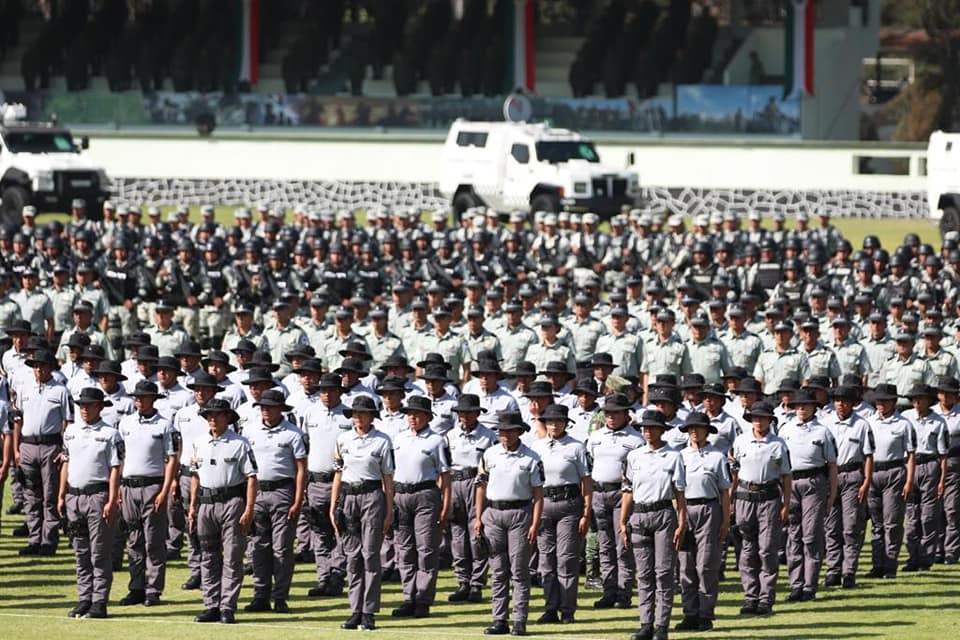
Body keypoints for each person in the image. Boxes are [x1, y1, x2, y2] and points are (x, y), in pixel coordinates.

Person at [187, 398, 258, 624]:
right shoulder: (199, 442)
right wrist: (192, 507)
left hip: (232, 503)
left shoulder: (240, 443)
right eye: (209, 415)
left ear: (227, 417)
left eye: (217, 415)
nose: (213, 419)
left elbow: (251, 478)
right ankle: (211, 605)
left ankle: (227, 606)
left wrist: (248, 509)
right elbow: (195, 476)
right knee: (207, 556)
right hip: (206, 504)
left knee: (232, 556)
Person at [475, 411, 544, 636]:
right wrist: (478, 517)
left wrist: (535, 523)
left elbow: (538, 494)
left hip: (520, 514)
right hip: (493, 513)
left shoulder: (532, 457)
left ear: (519, 432)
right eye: (502, 431)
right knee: (498, 570)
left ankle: (520, 620)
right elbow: (481, 487)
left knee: (520, 570)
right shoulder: (489, 454)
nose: (505, 435)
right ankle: (499, 619)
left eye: (509, 431)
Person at [331, 394, 395, 631]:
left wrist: (389, 511)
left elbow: (388, 479)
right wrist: (333, 504)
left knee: (370, 554)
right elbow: (338, 473)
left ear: (371, 416)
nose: (357, 417)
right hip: (348, 496)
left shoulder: (382, 441)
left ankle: (369, 611)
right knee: (352, 555)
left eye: (362, 413)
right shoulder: (343, 439)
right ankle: (355, 609)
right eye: (354, 414)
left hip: (372, 496)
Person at [621, 409, 686, 640]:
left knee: (664, 572)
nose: (647, 431)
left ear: (662, 429)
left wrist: (681, 522)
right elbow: (628, 490)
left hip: (663, 514)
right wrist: (623, 519)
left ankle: (662, 626)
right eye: (644, 428)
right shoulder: (634, 456)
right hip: (639, 514)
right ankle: (645, 624)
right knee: (644, 573)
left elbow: (679, 493)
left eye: (652, 427)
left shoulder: (674, 456)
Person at [58, 387, 123, 619]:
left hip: (98, 495)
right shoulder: (71, 431)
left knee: (99, 552)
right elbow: (65, 462)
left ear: (100, 407)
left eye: (89, 405)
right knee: (80, 551)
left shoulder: (110, 434)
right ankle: (84, 598)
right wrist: (61, 494)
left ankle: (99, 601)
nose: (84, 409)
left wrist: (112, 499)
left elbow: (115, 469)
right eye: (81, 405)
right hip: (74, 496)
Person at [243, 389, 307, 613]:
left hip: (283, 492)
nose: (266, 411)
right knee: (258, 546)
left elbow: (301, 470)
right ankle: (260, 595)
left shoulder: (293, 434)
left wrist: (298, 500)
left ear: (281, 408)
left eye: (270, 407)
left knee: (282, 548)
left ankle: (280, 597)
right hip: (258, 491)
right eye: (263, 407)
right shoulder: (249, 431)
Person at [117, 381, 178, 607]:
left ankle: (153, 590)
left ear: (154, 399)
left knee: (154, 541)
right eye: (137, 397)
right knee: (134, 541)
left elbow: (172, 458)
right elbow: (119, 458)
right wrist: (119, 489)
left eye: (143, 397)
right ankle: (136, 587)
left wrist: (165, 489)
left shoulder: (164, 425)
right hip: (129, 486)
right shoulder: (126, 423)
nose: (139, 401)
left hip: (153, 486)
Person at [529, 403, 592, 625]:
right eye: (550, 421)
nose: (554, 425)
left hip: (569, 504)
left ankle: (567, 610)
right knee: (546, 560)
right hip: (544, 503)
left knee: (566, 559)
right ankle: (549, 608)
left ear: (566, 423)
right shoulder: (537, 446)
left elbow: (586, 480)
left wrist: (586, 512)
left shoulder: (576, 447)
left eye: (558, 421)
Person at [390, 395, 451, 618]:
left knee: (426, 549)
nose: (412, 418)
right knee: (404, 549)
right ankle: (409, 597)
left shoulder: (437, 441)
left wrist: (445, 505)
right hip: (400, 494)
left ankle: (423, 599)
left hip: (425, 494)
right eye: (409, 414)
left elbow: (445, 475)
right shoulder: (398, 438)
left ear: (427, 416)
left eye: (417, 414)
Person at [731, 400, 792, 616]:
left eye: (762, 418)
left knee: (767, 549)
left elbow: (786, 476)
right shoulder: (740, 442)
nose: (758, 422)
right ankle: (750, 597)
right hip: (745, 496)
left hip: (769, 497)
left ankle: (766, 598)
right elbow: (734, 474)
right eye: (755, 418)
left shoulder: (778, 444)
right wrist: (731, 502)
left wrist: (786, 504)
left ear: (769, 420)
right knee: (747, 549)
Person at [586, 393, 644, 609]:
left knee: (623, 544)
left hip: (623, 494)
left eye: (616, 413)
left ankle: (624, 592)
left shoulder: (635, 440)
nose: (611, 417)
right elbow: (590, 463)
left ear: (626, 414)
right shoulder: (596, 436)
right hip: (599, 493)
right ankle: (608, 591)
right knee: (604, 545)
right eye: (608, 413)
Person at [779, 389, 838, 602]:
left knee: (811, 535)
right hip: (790, 482)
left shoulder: (823, 432)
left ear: (814, 408)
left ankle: (809, 586)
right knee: (793, 533)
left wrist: (832, 494)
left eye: (806, 405)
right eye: (798, 406)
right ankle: (796, 585)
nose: (801, 409)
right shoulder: (785, 429)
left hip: (814, 482)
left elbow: (832, 465)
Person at [676, 411, 732, 632]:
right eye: (690, 428)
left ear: (707, 430)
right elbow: (675, 489)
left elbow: (725, 492)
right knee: (686, 565)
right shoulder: (679, 456)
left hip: (709, 508)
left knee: (706, 565)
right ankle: (690, 613)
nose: (693, 431)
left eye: (698, 427)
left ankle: (705, 614)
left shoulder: (717, 457)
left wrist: (726, 521)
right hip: (685, 509)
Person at [15, 348, 73, 555]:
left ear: (50, 368)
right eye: (35, 366)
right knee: (31, 495)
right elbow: (18, 420)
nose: (38, 369)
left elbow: (68, 422)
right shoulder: (25, 389)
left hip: (51, 445)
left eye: (42, 366)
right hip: (28, 445)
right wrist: (16, 449)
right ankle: (34, 538)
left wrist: (65, 449)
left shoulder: (61, 391)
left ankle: (49, 540)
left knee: (50, 495)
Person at [301, 371, 352, 597]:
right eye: (323, 390)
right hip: (315, 481)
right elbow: (304, 448)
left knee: (341, 527)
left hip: (340, 481)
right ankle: (323, 577)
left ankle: (337, 573)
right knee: (319, 530)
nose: (326, 394)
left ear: (339, 391)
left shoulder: (349, 415)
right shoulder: (310, 413)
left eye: (331, 390)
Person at [447, 393, 497, 604]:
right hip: (455, 482)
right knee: (457, 535)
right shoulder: (450, 436)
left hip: (478, 484)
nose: (464, 417)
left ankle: (477, 583)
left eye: (468, 413)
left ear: (477, 413)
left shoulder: (488, 436)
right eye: (461, 413)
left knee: (477, 534)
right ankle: (463, 581)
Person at [822, 385, 874, 589]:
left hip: (853, 476)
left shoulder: (862, 425)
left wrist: (866, 481)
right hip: (831, 476)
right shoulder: (826, 424)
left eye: (844, 401)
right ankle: (833, 570)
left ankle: (849, 571)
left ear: (853, 403)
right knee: (831, 526)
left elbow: (868, 455)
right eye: (837, 400)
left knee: (851, 527)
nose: (840, 404)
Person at [865, 383, 916, 579]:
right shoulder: (868, 422)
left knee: (892, 521)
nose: (881, 405)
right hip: (873, 471)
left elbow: (911, 454)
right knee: (877, 522)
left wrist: (909, 480)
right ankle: (877, 564)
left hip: (894, 471)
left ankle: (890, 564)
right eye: (878, 401)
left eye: (885, 401)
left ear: (894, 402)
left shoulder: (903, 424)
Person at [900, 384, 948, 572]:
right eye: (914, 399)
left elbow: (943, 455)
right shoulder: (906, 418)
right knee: (911, 515)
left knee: (928, 516)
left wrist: (942, 480)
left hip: (930, 465)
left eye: (921, 399)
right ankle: (913, 557)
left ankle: (926, 558)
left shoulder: (938, 422)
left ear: (929, 401)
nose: (917, 403)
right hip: (910, 464)